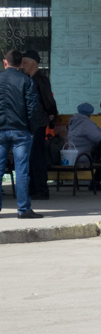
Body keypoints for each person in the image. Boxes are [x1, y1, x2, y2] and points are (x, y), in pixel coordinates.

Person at [0, 49, 42, 218]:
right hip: (20, 130)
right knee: (22, 170)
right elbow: (33, 108)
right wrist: (31, 129)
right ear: (21, 64)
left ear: (5, 62)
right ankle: (23, 209)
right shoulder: (26, 81)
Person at [21, 50, 57, 200]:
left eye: (25, 63)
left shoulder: (40, 80)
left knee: (37, 158)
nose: (22, 66)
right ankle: (34, 188)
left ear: (34, 64)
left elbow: (48, 100)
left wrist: (52, 115)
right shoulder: (30, 79)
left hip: (39, 122)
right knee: (32, 157)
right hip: (33, 123)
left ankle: (41, 190)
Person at [68, 102, 101, 191]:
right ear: (89, 113)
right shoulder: (86, 123)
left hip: (76, 154)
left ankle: (97, 181)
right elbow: (98, 139)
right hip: (84, 155)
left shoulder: (74, 121)